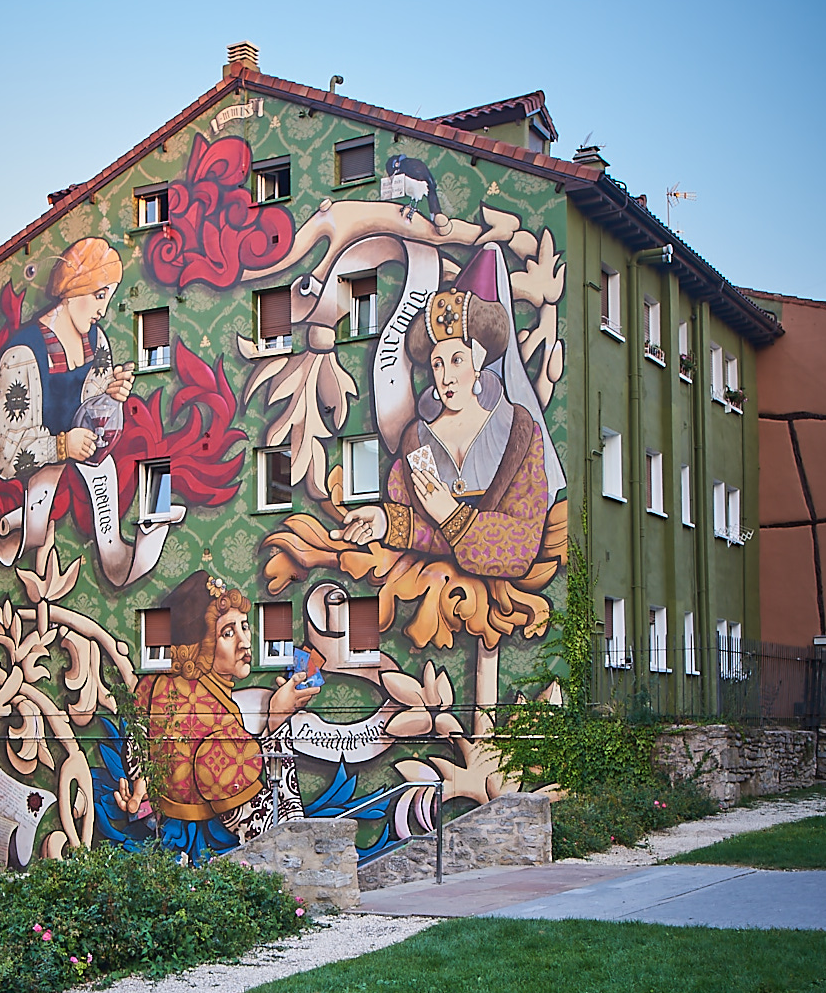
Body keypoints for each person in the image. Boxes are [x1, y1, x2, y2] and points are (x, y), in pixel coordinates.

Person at [334, 247, 552, 581]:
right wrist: (386, 523)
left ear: (478, 361)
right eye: (437, 364)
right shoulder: (418, 443)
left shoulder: (516, 433)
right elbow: (436, 536)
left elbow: (521, 545)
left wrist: (450, 512)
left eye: (456, 360)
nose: (446, 376)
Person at [113, 571, 318, 851]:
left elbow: (139, 746)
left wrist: (141, 786)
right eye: (228, 633)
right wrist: (277, 720)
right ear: (202, 647)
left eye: (244, 626)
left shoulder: (154, 686)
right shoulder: (216, 728)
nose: (245, 643)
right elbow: (276, 835)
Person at [0, 238, 135, 482]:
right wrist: (62, 445)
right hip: (38, 489)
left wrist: (112, 395)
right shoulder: (23, 355)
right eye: (99, 296)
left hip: (88, 481)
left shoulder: (96, 340)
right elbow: (6, 458)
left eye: (108, 298)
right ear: (72, 288)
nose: (102, 311)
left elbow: (95, 418)